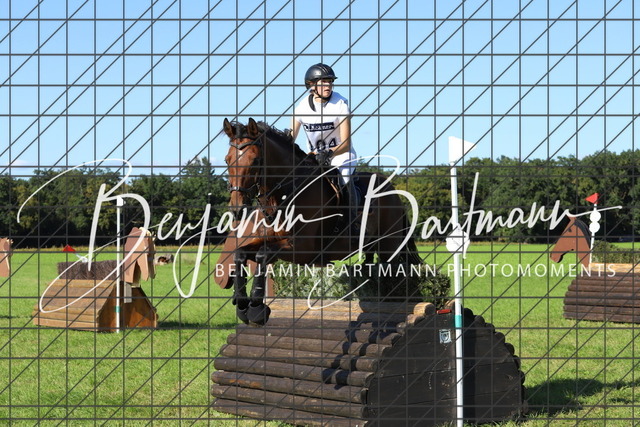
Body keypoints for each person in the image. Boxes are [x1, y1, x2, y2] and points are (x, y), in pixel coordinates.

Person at [291, 63, 360, 232]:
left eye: (330, 82)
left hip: (340, 155)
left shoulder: (340, 104)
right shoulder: (301, 108)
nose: (328, 86)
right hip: (314, 157)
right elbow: (290, 138)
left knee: (344, 179)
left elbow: (346, 143)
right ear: (311, 85)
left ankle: (351, 224)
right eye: (323, 82)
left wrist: (329, 153)